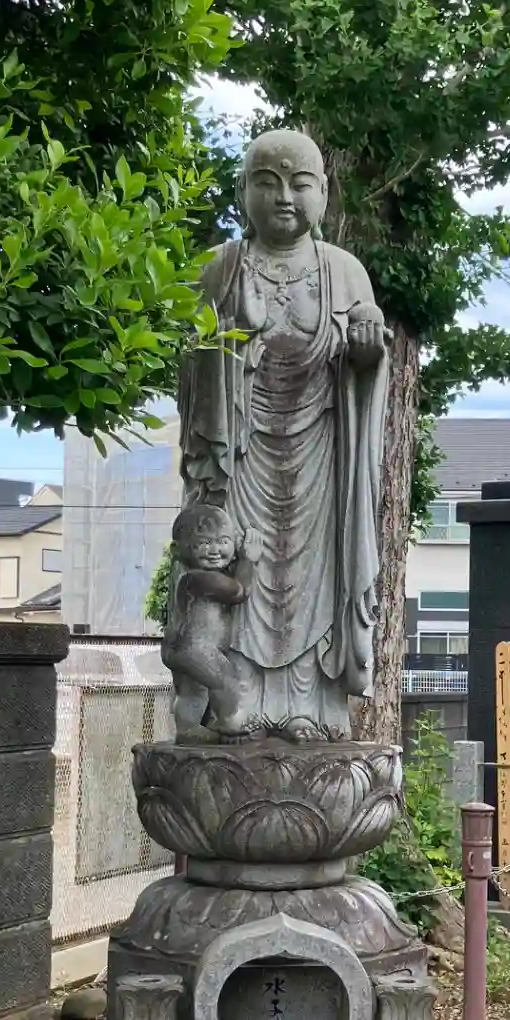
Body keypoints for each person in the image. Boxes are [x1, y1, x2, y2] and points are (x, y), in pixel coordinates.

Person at [177, 129, 389, 740]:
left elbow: (364, 368)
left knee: (312, 582)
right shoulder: (217, 269)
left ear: (323, 192)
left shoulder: (345, 274)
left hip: (321, 452)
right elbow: (188, 369)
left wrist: (367, 349)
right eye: (267, 183)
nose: (284, 198)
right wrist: (222, 343)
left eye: (300, 184)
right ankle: (235, 704)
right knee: (236, 564)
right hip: (239, 452)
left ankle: (311, 708)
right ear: (243, 190)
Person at [160, 505, 259, 741]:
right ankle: (228, 720)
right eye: (204, 543)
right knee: (227, 679)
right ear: (178, 549)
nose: (214, 550)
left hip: (180, 646)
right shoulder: (199, 578)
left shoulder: (185, 577)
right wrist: (248, 560)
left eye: (223, 541)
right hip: (196, 649)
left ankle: (188, 729)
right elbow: (238, 591)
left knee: (193, 692)